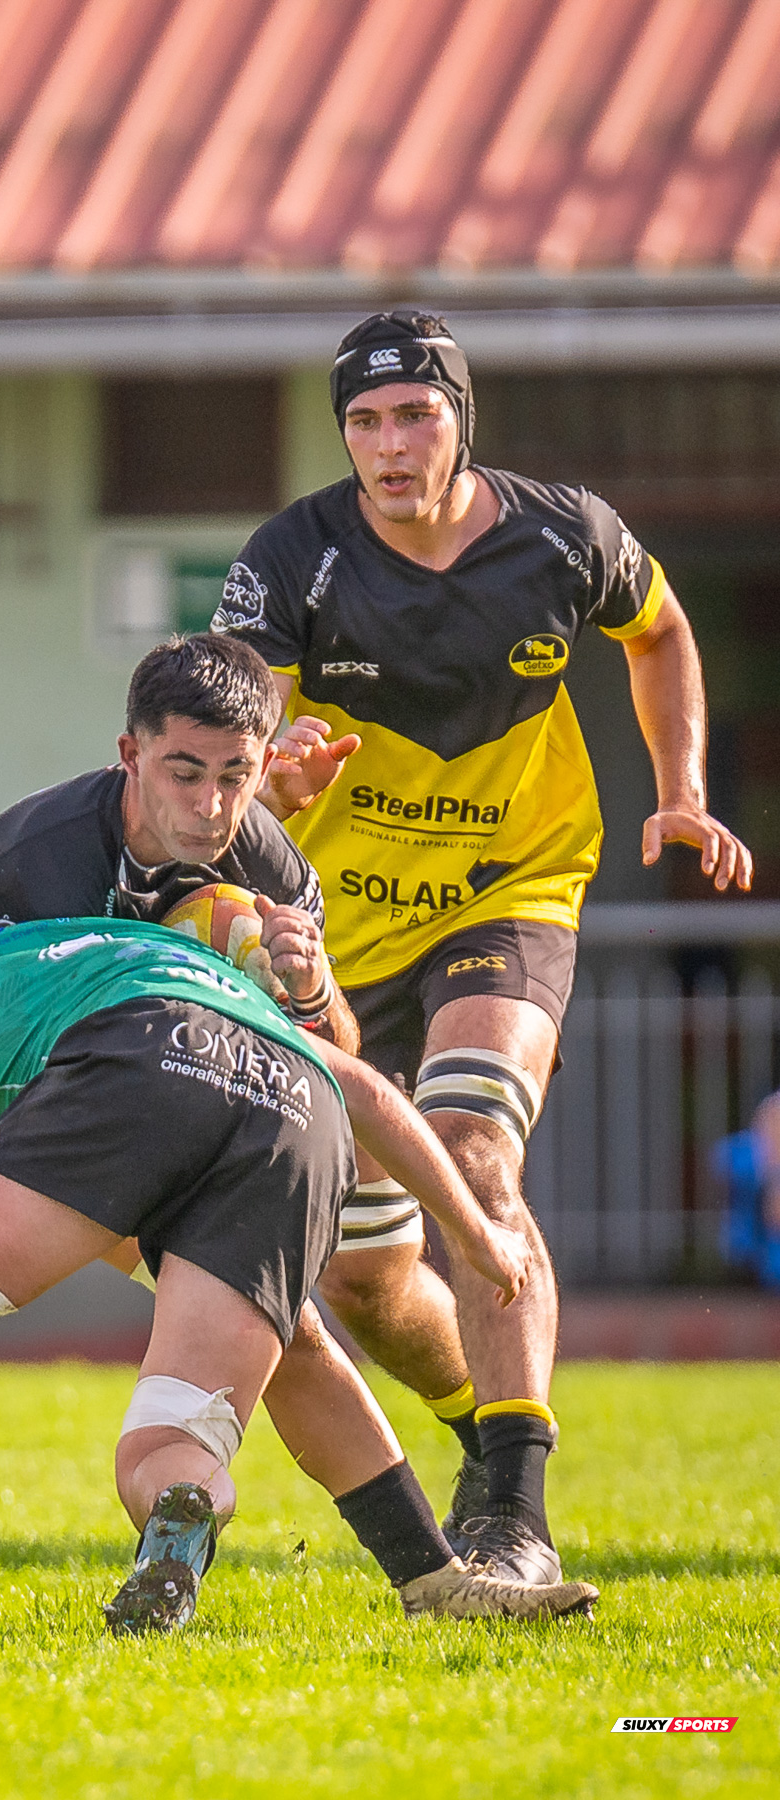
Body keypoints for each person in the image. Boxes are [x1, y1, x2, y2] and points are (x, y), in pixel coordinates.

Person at [0, 635, 479, 1614]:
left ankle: (435, 1572)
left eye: (235, 777)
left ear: (262, 766)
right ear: (129, 755)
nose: (211, 805)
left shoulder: (269, 859)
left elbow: (329, 1043)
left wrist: (310, 987)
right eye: (184, 773)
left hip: (146, 1088)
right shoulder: (31, 864)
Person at [212, 309, 753, 1584]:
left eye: (416, 414)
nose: (390, 446)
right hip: (333, 934)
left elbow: (660, 630)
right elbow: (232, 713)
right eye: (364, 422)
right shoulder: (295, 555)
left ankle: (515, 1514)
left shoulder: (566, 536)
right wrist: (268, 772)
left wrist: (680, 788)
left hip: (510, 892)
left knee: (473, 1157)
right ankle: (480, 1431)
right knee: (365, 1280)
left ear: (462, 418)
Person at [0, 916, 597, 1634]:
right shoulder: (112, 950)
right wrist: (474, 1232)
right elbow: (363, 1090)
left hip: (132, 1065)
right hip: (297, 1102)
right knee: (188, 1422)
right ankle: (428, 1575)